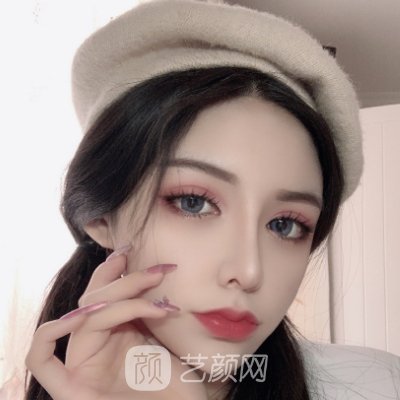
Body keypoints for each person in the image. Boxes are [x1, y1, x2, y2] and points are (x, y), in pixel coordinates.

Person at [22, 0, 399, 399]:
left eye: (285, 224)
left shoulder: (379, 385)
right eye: (193, 203)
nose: (249, 272)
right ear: (102, 218)